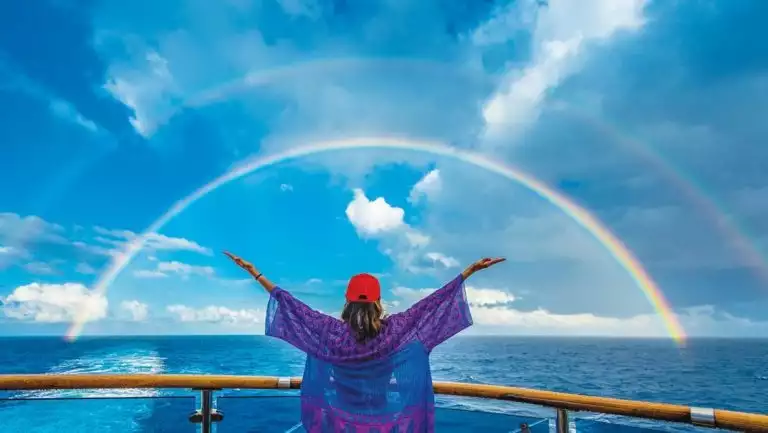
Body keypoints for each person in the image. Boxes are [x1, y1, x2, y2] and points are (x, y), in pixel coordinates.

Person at [225, 251, 505, 433]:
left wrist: (255, 273)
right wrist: (467, 273)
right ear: (379, 302)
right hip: (384, 421)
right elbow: (432, 305)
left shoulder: (329, 332)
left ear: (346, 301)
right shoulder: (396, 329)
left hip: (340, 421)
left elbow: (292, 306)